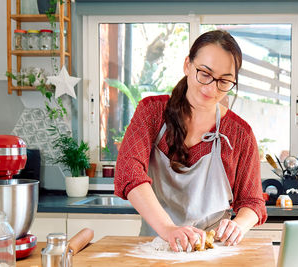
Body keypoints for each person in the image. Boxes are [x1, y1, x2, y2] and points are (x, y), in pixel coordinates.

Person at [114, 30, 267, 252]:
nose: (211, 88)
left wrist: (238, 225)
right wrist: (168, 229)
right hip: (155, 247)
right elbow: (129, 171)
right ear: (188, 65)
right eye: (204, 73)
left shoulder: (240, 134)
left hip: (214, 251)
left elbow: (252, 202)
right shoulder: (152, 112)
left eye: (224, 81)